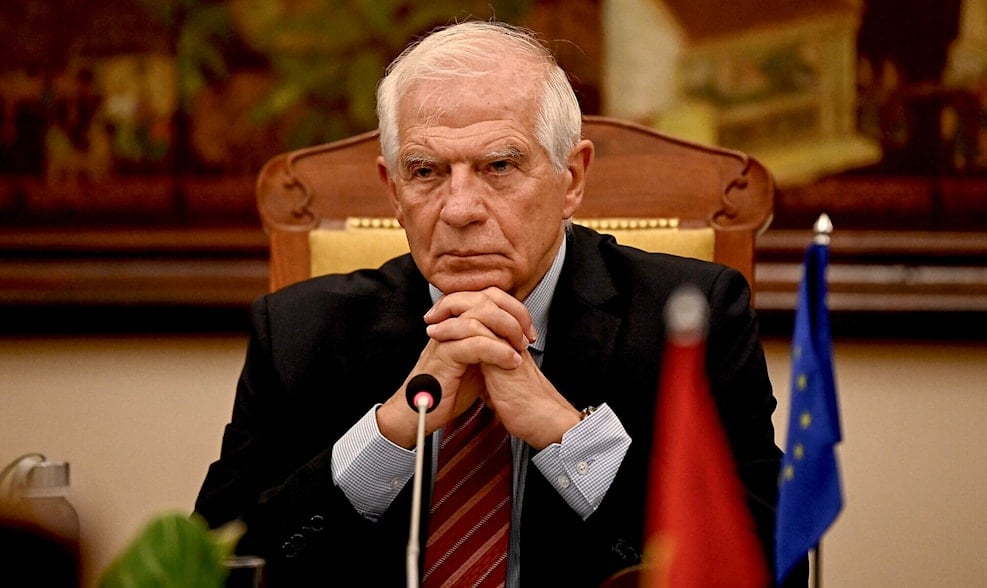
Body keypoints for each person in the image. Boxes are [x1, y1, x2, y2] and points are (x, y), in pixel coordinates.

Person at [195, 20, 808, 587]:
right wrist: (390, 436)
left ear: (572, 179)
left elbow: (772, 569)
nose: (460, 209)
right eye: (426, 171)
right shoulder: (301, 331)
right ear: (392, 190)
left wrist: (568, 438)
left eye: (498, 165)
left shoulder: (690, 318)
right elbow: (213, 571)